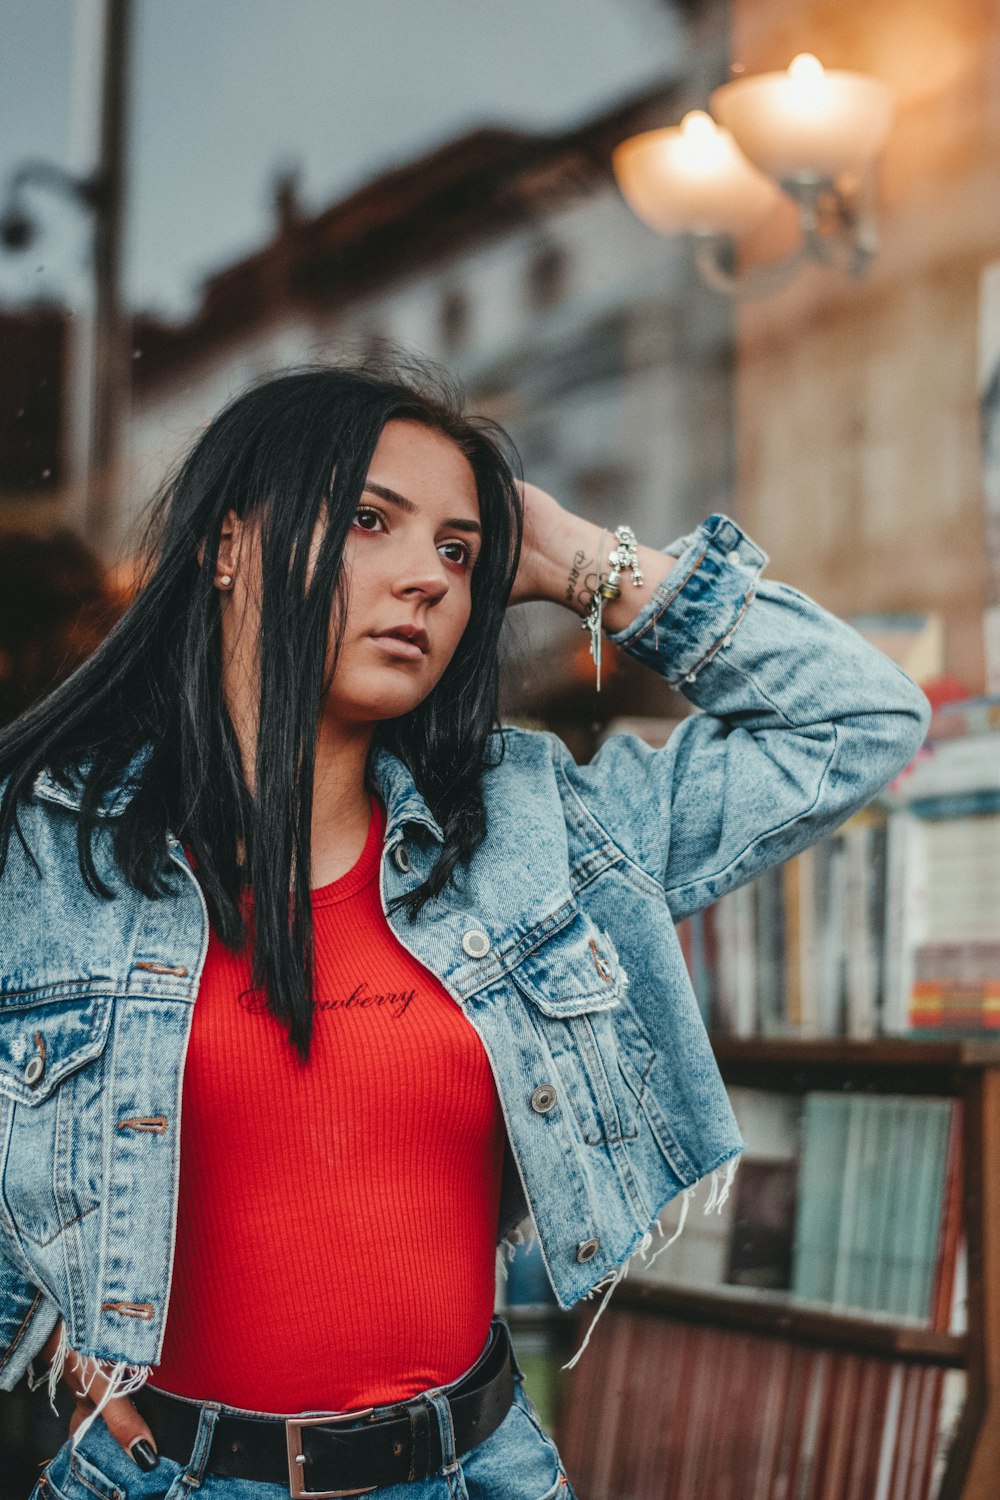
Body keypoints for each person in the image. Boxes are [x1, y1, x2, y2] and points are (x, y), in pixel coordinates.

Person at [0, 359, 930, 1499]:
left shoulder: (535, 834)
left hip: (473, 1472)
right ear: (227, 544)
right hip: (169, 1478)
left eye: (457, 551)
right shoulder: (51, 855)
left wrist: (581, 561)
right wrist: (46, 1312)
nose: (429, 580)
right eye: (369, 521)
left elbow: (857, 718)